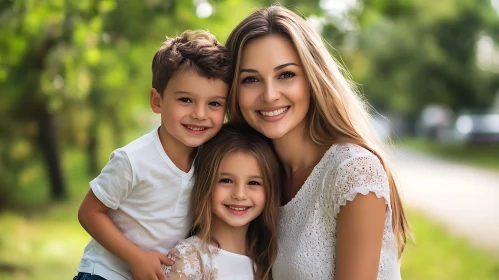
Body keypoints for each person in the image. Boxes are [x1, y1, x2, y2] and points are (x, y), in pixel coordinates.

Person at [225, 5, 410, 280]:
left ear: (312, 78)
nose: (270, 94)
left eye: (285, 74)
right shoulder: (252, 174)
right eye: (250, 79)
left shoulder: (354, 171)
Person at [74, 30, 230, 280]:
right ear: (157, 101)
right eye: (186, 100)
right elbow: (89, 213)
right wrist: (136, 257)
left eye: (214, 104)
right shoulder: (133, 160)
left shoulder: (209, 161)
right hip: (105, 273)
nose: (200, 114)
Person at [164, 123, 281, 280]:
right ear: (206, 183)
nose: (239, 195)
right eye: (226, 180)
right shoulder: (188, 259)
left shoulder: (268, 260)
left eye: (253, 183)